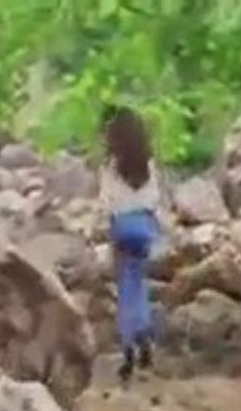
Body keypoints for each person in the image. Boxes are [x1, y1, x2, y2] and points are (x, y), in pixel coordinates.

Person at [99, 106, 162, 383]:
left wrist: (105, 228)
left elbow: (107, 202)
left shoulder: (112, 166)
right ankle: (145, 336)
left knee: (125, 286)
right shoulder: (148, 164)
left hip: (122, 227)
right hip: (144, 227)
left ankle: (127, 348)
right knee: (140, 282)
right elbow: (155, 197)